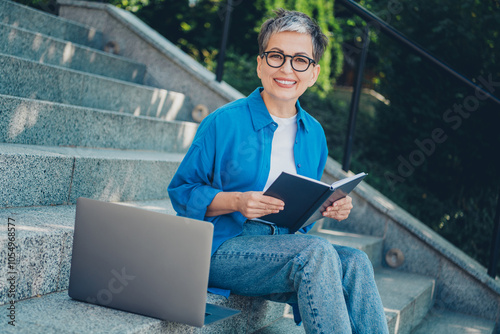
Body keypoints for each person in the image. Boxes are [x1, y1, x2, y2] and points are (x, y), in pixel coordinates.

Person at [168, 9, 388, 334]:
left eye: (300, 60)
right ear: (260, 64)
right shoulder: (223, 122)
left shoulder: (314, 133)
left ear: (313, 72)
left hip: (282, 246)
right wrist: (236, 201)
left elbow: (299, 218)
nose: (286, 68)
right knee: (316, 253)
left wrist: (327, 207)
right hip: (223, 246)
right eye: (276, 56)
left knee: (355, 262)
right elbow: (182, 193)